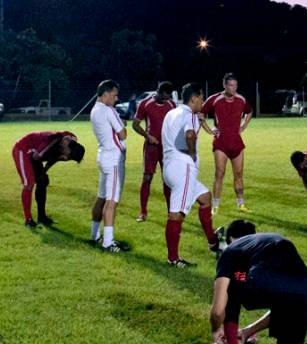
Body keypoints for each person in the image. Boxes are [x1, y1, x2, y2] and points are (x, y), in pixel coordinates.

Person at [210, 220, 307, 344]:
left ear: (230, 240)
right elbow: (281, 305)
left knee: (232, 284)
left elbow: (219, 309)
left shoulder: (231, 252)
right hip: (303, 287)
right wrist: (248, 331)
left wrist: (215, 329)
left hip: (267, 281)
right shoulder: (267, 240)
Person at [161, 83, 223, 267]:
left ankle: (213, 242)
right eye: (201, 98)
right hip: (183, 169)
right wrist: (192, 153)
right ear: (194, 98)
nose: (202, 102)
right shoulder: (190, 115)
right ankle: (173, 259)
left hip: (169, 167)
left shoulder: (171, 112)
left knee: (205, 197)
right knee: (176, 214)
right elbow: (189, 135)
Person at [202, 73, 254, 214]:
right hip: (221, 144)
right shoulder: (214, 99)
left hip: (237, 143)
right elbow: (200, 114)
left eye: (236, 85)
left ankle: (241, 204)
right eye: (231, 85)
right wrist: (208, 130)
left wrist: (243, 126)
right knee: (220, 174)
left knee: (238, 175)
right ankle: (215, 206)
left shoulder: (241, 99)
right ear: (224, 85)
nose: (234, 88)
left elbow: (249, 112)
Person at [13, 131, 85, 228]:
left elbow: (52, 157)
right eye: (68, 155)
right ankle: (28, 219)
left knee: (43, 181)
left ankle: (42, 217)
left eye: (69, 158)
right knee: (29, 183)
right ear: (67, 143)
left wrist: (45, 170)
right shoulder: (56, 139)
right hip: (23, 149)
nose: (67, 157)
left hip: (34, 156)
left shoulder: (68, 146)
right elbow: (37, 156)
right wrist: (54, 155)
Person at [90, 79, 127, 252]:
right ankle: (108, 242)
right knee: (112, 201)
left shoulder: (95, 109)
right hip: (113, 158)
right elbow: (123, 134)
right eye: (114, 95)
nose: (116, 98)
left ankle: (95, 234)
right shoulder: (108, 110)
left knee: (101, 197)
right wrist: (120, 123)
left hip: (103, 155)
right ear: (105, 94)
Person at [132, 82, 176, 222]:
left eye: (168, 97)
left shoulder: (172, 105)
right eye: (163, 97)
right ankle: (143, 212)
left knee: (168, 179)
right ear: (158, 92)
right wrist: (148, 136)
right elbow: (135, 124)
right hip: (151, 146)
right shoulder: (145, 103)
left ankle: (171, 212)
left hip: (167, 148)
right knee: (147, 178)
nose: (166, 100)